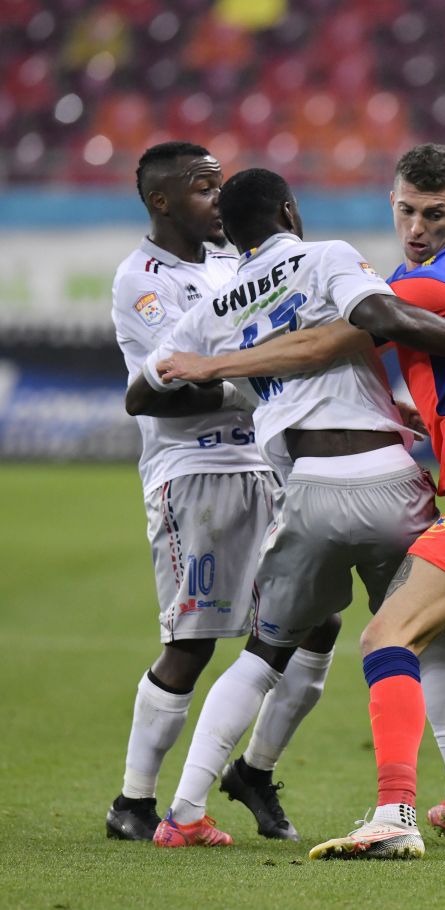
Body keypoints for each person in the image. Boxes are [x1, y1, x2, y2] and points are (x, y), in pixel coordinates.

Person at [155, 146, 445, 859]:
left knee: (386, 638)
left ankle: (394, 813)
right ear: (392, 202)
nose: (417, 227)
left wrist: (213, 363)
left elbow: (324, 344)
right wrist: (415, 404)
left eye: (434, 214)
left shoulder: (424, 282)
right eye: (407, 211)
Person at [107, 141, 338, 843]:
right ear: (162, 200)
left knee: (318, 621)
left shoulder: (232, 264)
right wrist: (260, 381)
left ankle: (255, 771)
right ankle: (133, 803)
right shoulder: (142, 282)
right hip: (194, 473)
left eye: (220, 186)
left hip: (264, 465)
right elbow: (167, 390)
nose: (219, 199)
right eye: (204, 188)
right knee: (194, 643)